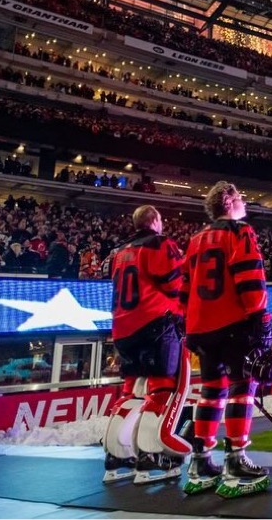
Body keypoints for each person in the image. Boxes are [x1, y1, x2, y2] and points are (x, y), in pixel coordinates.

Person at [180, 181, 272, 497]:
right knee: (240, 389)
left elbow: (184, 289)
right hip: (233, 321)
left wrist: (187, 324)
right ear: (231, 201)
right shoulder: (239, 232)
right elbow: (250, 277)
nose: (244, 204)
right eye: (241, 199)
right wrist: (260, 317)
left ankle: (200, 459)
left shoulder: (195, 240)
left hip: (201, 326)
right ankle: (236, 458)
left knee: (210, 392)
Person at [104, 205, 188, 484]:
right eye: (161, 219)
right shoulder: (159, 243)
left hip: (123, 328)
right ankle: (150, 458)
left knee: (131, 392)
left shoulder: (120, 250)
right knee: (162, 389)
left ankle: (117, 456)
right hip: (155, 324)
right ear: (154, 221)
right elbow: (176, 283)